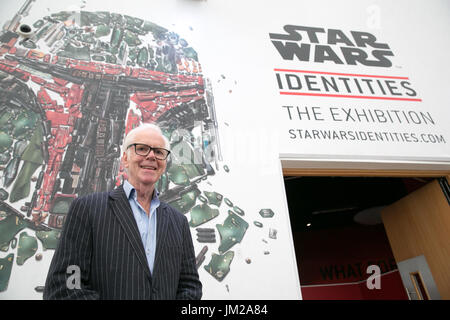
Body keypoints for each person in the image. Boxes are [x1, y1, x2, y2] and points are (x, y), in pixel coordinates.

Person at [43, 123, 202, 300]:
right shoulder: (88, 209)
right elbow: (65, 285)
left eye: (159, 152)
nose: (151, 156)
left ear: (164, 164)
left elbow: (190, 286)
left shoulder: (178, 222)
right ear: (125, 159)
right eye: (142, 149)